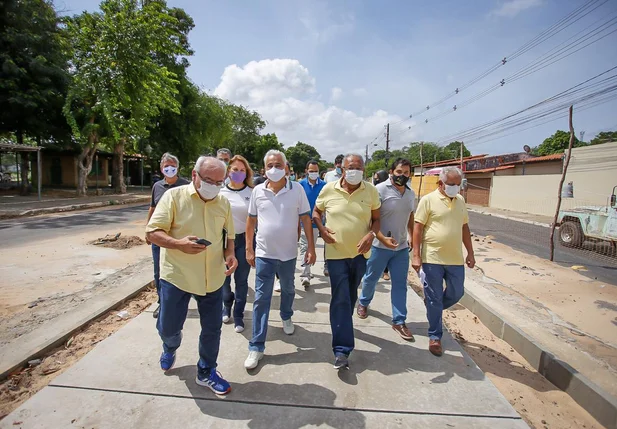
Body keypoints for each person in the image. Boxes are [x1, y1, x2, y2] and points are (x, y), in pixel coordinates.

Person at [146, 156, 238, 395]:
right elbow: (152, 232)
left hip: (213, 279)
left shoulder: (223, 203)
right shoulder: (173, 197)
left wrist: (230, 254)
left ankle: (206, 371)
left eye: (220, 182)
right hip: (178, 277)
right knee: (168, 326)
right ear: (195, 175)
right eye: (209, 180)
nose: (214, 186)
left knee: (212, 328)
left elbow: (229, 235)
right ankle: (170, 345)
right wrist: (178, 244)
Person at [244, 150, 316, 370]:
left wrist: (311, 247)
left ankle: (286, 315)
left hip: (288, 254)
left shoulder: (298, 190)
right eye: (269, 165)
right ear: (263, 169)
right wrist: (249, 248)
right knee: (261, 299)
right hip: (264, 253)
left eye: (278, 164)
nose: (273, 169)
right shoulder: (257, 191)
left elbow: (305, 218)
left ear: (286, 167)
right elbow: (250, 221)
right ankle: (256, 346)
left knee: (288, 289)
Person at [313, 153, 385, 370]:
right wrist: (322, 229)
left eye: (360, 167)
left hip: (360, 256)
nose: (356, 171)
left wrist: (371, 236)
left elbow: (377, 219)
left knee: (350, 295)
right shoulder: (329, 189)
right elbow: (316, 212)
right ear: (342, 169)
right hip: (335, 254)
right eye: (351, 167)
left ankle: (343, 326)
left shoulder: (370, 190)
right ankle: (341, 350)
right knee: (341, 297)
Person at [412, 166, 475, 357]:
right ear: (441, 183)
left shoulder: (461, 201)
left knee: (456, 293)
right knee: (434, 296)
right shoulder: (428, 200)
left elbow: (464, 227)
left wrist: (470, 253)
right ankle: (435, 336)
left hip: (454, 258)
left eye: (458, 184)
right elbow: (417, 228)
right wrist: (416, 254)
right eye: (451, 184)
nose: (456, 188)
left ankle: (433, 306)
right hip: (432, 258)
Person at [357, 159, 416, 341]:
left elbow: (411, 216)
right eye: (399, 171)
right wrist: (381, 238)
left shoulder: (410, 194)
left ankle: (399, 321)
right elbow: (372, 218)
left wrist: (411, 236)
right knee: (371, 278)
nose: (402, 175)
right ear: (391, 171)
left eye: (406, 172)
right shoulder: (379, 190)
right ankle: (363, 302)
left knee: (400, 284)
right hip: (379, 246)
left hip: (401, 248)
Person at [146, 153, 189, 319]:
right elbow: (152, 208)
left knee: (182, 269)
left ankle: (183, 298)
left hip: (179, 236)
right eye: (166, 166)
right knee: (159, 271)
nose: (169, 169)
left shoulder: (186, 185)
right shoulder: (157, 186)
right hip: (160, 237)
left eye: (172, 165)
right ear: (161, 168)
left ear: (177, 167)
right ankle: (162, 303)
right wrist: (148, 230)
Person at [220, 155, 254, 333]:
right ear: (228, 171)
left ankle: (239, 314)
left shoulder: (252, 192)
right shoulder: (220, 192)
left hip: (244, 240)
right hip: (223, 241)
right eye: (235, 169)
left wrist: (251, 247)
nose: (239, 173)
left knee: (241, 280)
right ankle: (226, 304)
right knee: (224, 278)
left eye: (242, 170)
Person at [298, 160, 326, 290]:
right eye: (311, 171)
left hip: (317, 223)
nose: (314, 173)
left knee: (312, 246)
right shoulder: (300, 185)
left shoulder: (324, 186)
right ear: (306, 171)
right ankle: (305, 274)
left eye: (316, 171)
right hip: (304, 222)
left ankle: (308, 270)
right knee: (305, 246)